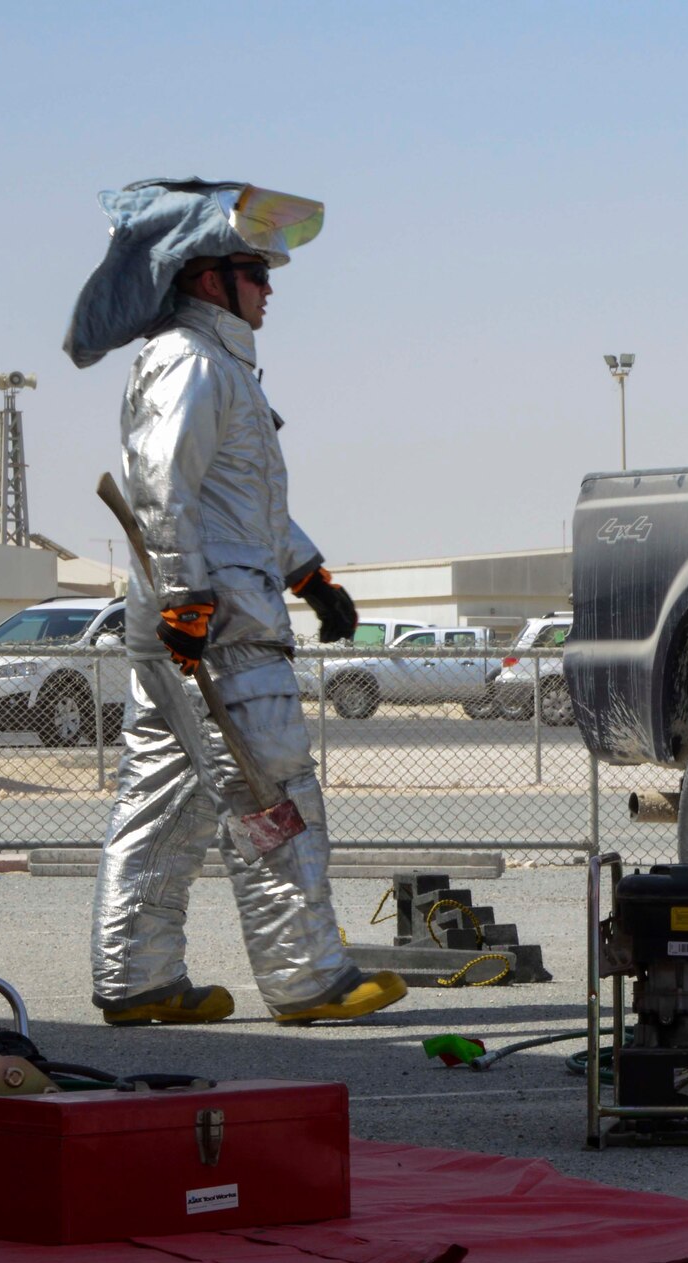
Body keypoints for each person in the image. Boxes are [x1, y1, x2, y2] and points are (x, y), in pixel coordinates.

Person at [63, 178, 402, 1026]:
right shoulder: (192, 362)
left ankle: (137, 979)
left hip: (193, 623)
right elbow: (160, 488)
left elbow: (240, 504)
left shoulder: (217, 368)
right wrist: (187, 599)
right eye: (256, 270)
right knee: (273, 792)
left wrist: (308, 573)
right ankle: (307, 978)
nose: (270, 288)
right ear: (209, 278)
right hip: (217, 631)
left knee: (164, 804)